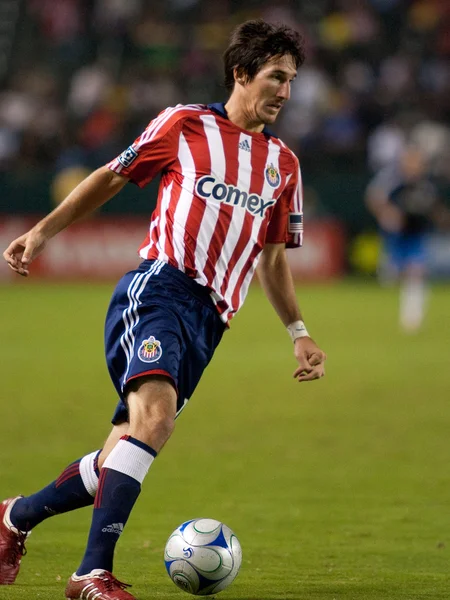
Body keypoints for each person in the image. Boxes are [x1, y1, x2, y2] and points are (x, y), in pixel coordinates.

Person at [1, 19, 326, 600]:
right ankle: (90, 574)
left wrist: (298, 332)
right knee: (155, 421)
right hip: (160, 289)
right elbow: (111, 177)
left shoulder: (283, 164)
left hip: (212, 320)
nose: (285, 91)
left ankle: (13, 518)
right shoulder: (186, 124)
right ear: (242, 73)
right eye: (277, 76)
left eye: (292, 80)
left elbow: (271, 259)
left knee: (118, 456)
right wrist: (43, 233)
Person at [365, 144, 446, 332]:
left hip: (416, 234)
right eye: (410, 161)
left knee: (416, 272)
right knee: (391, 276)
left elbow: (434, 207)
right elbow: (374, 198)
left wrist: (441, 218)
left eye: (417, 162)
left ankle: (412, 317)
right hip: (396, 235)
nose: (414, 166)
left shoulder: (426, 184)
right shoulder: (391, 180)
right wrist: (388, 213)